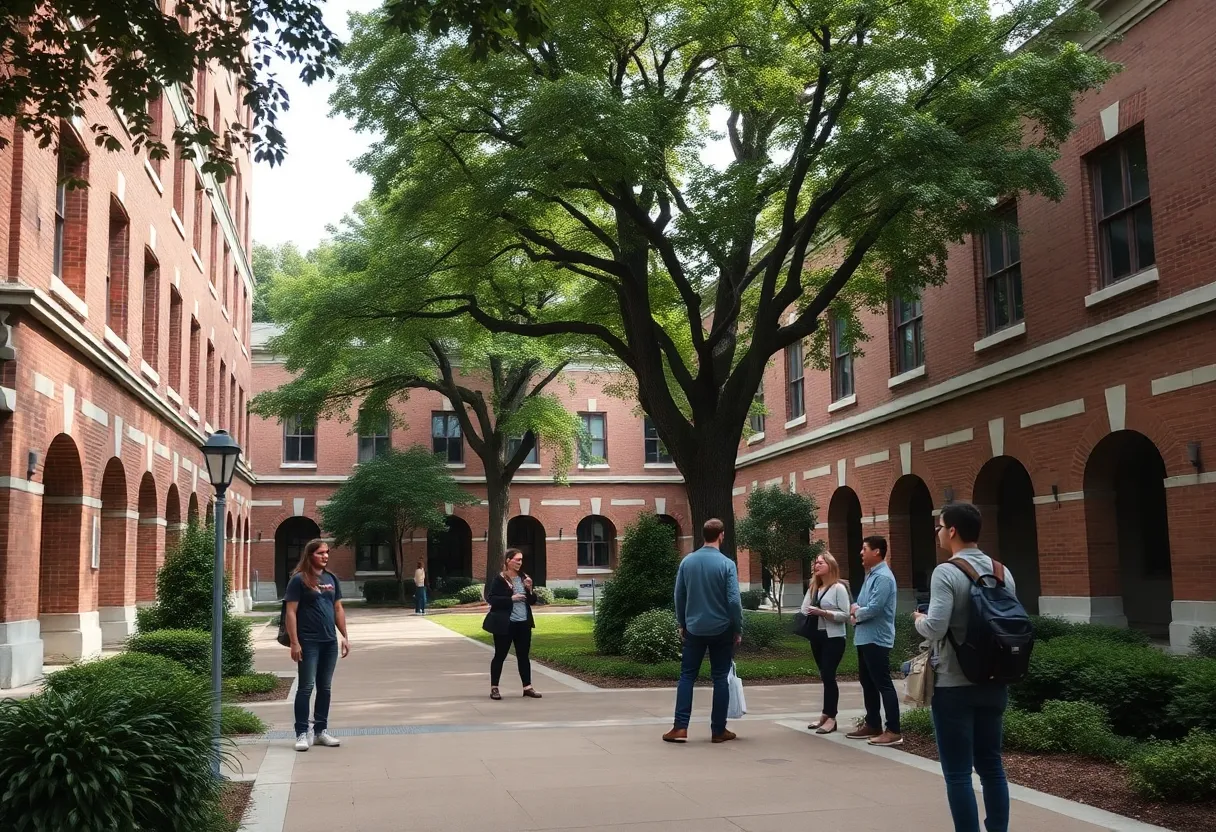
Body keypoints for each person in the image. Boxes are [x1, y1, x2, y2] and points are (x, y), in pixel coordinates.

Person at [915, 501, 1016, 832]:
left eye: (940, 527)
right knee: (992, 767)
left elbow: (936, 627)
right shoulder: (1002, 571)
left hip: (954, 685)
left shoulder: (946, 571)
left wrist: (919, 619)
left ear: (952, 530)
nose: (938, 533)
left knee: (958, 773)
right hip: (995, 679)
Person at [663, 518, 743, 745]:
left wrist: (682, 623)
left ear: (702, 535)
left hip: (695, 628)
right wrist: (737, 627)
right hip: (722, 629)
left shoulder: (687, 562)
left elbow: (679, 596)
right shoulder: (727, 564)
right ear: (722, 535)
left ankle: (680, 727)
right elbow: (734, 601)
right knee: (720, 678)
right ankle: (718, 730)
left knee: (687, 676)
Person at [284, 539, 350, 752]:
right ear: (310, 554)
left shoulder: (331, 579)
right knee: (306, 687)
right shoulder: (298, 580)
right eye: (321, 552)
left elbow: (338, 608)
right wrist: (295, 642)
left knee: (325, 688)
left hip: (329, 641)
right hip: (308, 641)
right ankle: (302, 733)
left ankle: (321, 731)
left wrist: (345, 636)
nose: (326, 556)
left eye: (327, 552)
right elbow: (291, 612)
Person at [846, 535, 902, 746]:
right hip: (864, 637)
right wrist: (856, 610)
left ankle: (894, 730)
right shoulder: (871, 575)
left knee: (883, 683)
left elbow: (875, 608)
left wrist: (857, 613)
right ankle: (873, 723)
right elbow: (861, 604)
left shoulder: (884, 577)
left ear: (876, 551)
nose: (861, 552)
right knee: (867, 682)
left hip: (877, 638)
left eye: (864, 548)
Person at [800, 552, 850, 735]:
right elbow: (804, 609)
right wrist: (811, 608)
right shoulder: (814, 587)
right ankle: (824, 714)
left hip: (834, 637)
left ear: (830, 565)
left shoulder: (839, 588)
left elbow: (845, 615)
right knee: (824, 675)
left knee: (829, 675)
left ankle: (832, 718)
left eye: (820, 562)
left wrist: (824, 613)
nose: (816, 565)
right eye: (815, 563)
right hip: (816, 636)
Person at [482, 548, 542, 700]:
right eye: (517, 559)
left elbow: (532, 601)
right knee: (500, 655)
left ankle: (527, 687)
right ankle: (494, 688)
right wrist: (511, 599)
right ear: (508, 561)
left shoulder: (524, 578)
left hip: (523, 623)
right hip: (505, 624)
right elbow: (492, 599)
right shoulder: (499, 579)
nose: (519, 563)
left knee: (523, 656)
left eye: (521, 560)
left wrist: (530, 589)